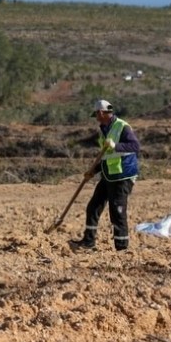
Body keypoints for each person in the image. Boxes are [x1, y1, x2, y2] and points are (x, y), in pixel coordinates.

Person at [73, 100, 141, 251]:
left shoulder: (122, 127)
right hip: (109, 174)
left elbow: (135, 146)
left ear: (101, 113)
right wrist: (94, 171)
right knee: (93, 207)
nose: (96, 118)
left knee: (117, 212)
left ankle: (122, 248)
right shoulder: (104, 130)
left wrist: (116, 146)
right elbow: (106, 157)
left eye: (96, 114)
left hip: (123, 175)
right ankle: (88, 242)